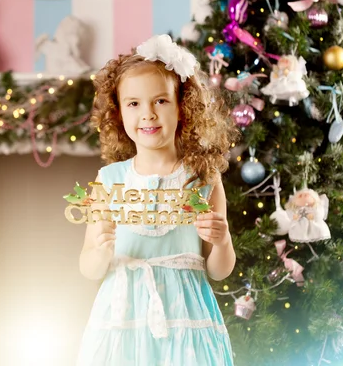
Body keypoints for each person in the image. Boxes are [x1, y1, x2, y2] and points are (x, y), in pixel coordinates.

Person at [76, 34, 239, 366]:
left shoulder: (204, 179)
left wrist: (222, 242)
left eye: (160, 101)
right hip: (122, 321)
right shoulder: (110, 180)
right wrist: (101, 250)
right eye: (133, 103)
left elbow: (219, 271)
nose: (147, 114)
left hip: (186, 318)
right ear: (119, 113)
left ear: (182, 106)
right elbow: (89, 268)